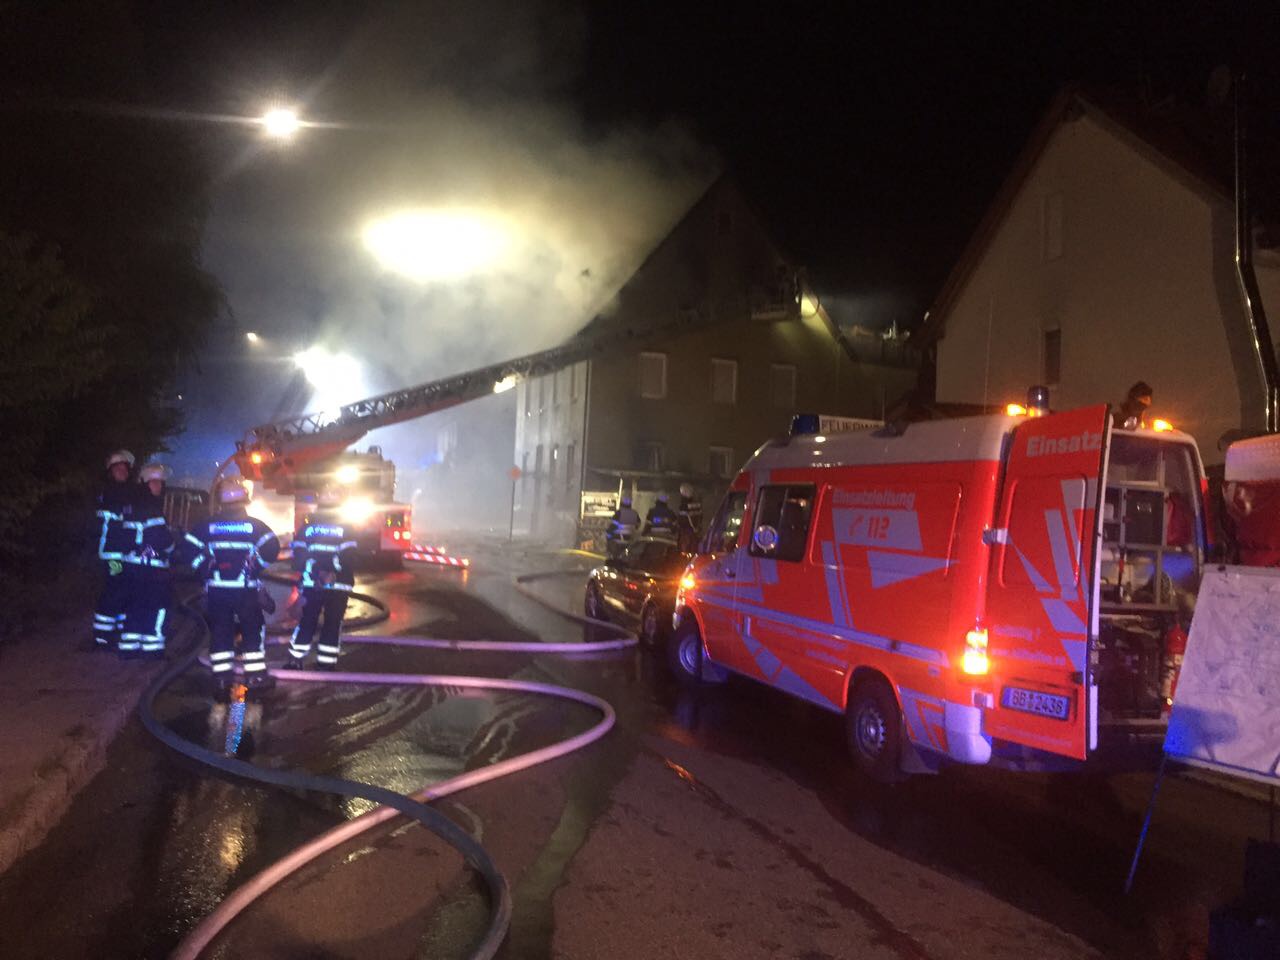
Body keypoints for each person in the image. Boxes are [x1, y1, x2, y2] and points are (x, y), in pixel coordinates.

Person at [182, 479, 280, 697]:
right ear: (244, 500)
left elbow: (187, 548)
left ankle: (221, 678)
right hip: (245, 590)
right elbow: (272, 547)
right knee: (251, 630)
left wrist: (204, 567)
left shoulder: (207, 525)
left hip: (217, 590)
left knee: (220, 631)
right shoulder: (255, 526)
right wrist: (256, 566)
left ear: (221, 502)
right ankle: (255, 676)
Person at [286, 486, 357, 671]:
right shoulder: (347, 528)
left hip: (313, 583)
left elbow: (298, 558)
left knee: (307, 620)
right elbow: (351, 557)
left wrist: (315, 571)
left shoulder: (307, 528)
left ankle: (295, 660)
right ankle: (326, 663)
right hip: (338, 585)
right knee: (332, 623)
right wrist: (332, 572)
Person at [118, 463, 174, 659]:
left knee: (134, 605)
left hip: (131, 567)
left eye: (160, 483)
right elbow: (162, 541)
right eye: (154, 482)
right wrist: (173, 547)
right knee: (157, 607)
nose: (158, 486)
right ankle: (152, 648)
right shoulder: (152, 509)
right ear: (145, 484)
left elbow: (126, 537)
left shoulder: (131, 505)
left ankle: (129, 647)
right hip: (152, 569)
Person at [93, 450, 136, 650]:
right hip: (112, 553)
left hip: (123, 553)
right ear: (110, 471)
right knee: (114, 590)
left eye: (125, 468)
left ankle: (118, 630)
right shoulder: (109, 493)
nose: (122, 471)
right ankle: (102, 636)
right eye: (118, 468)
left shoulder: (125, 492)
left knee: (124, 589)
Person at [677, 482, 703, 552]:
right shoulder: (697, 504)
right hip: (696, 532)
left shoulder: (683, 505)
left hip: (687, 532)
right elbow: (700, 517)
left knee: (685, 551)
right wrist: (697, 528)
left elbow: (683, 519)